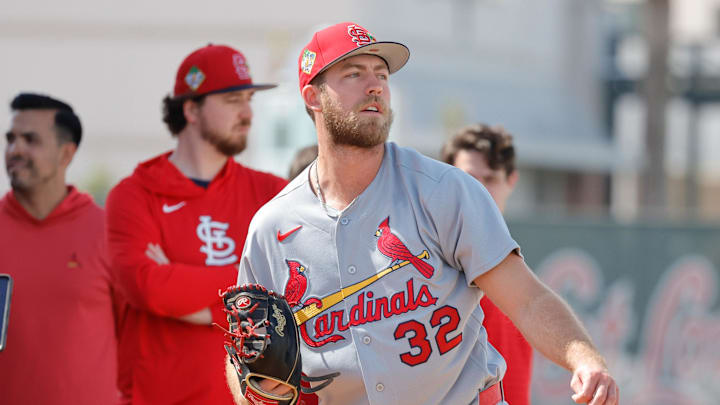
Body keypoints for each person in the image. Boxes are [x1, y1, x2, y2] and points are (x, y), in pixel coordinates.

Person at [232, 22, 619, 405]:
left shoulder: (443, 191)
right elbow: (242, 359)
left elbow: (528, 299)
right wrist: (253, 391)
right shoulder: (274, 227)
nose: (375, 85)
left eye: (381, 74)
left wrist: (585, 359)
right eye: (353, 73)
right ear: (313, 97)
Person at [105, 44, 287, 405]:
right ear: (190, 108)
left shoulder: (272, 192)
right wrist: (249, 293)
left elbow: (291, 292)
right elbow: (147, 287)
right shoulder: (134, 195)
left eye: (249, 99)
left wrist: (185, 287)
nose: (248, 113)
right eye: (233, 100)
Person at [0, 93, 121, 404]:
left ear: (66, 154)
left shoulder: (108, 233)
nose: (15, 149)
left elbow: (137, 343)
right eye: (10, 138)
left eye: (30, 140)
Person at [442, 124, 532, 405]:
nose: (479, 190)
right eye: (469, 178)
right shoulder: (429, 266)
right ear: (447, 181)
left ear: (511, 181)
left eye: (490, 179)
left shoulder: (517, 270)